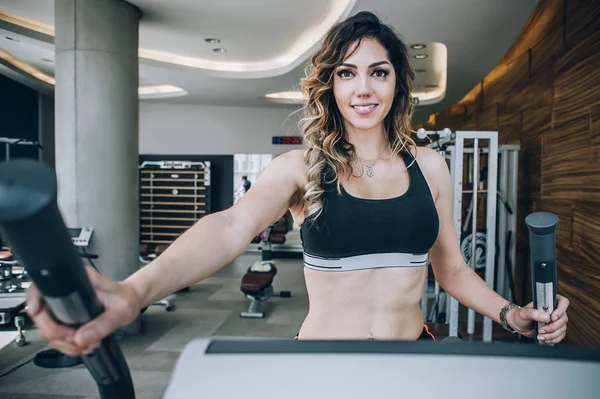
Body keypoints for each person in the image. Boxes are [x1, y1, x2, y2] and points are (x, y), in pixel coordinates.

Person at [26, 11, 569, 355]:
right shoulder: (300, 169)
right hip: (322, 364)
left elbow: (450, 269)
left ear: (398, 83)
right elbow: (231, 226)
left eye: (379, 71)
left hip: (413, 357)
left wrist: (509, 313)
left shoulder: (431, 166)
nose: (363, 88)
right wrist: (134, 291)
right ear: (330, 85)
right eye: (347, 72)